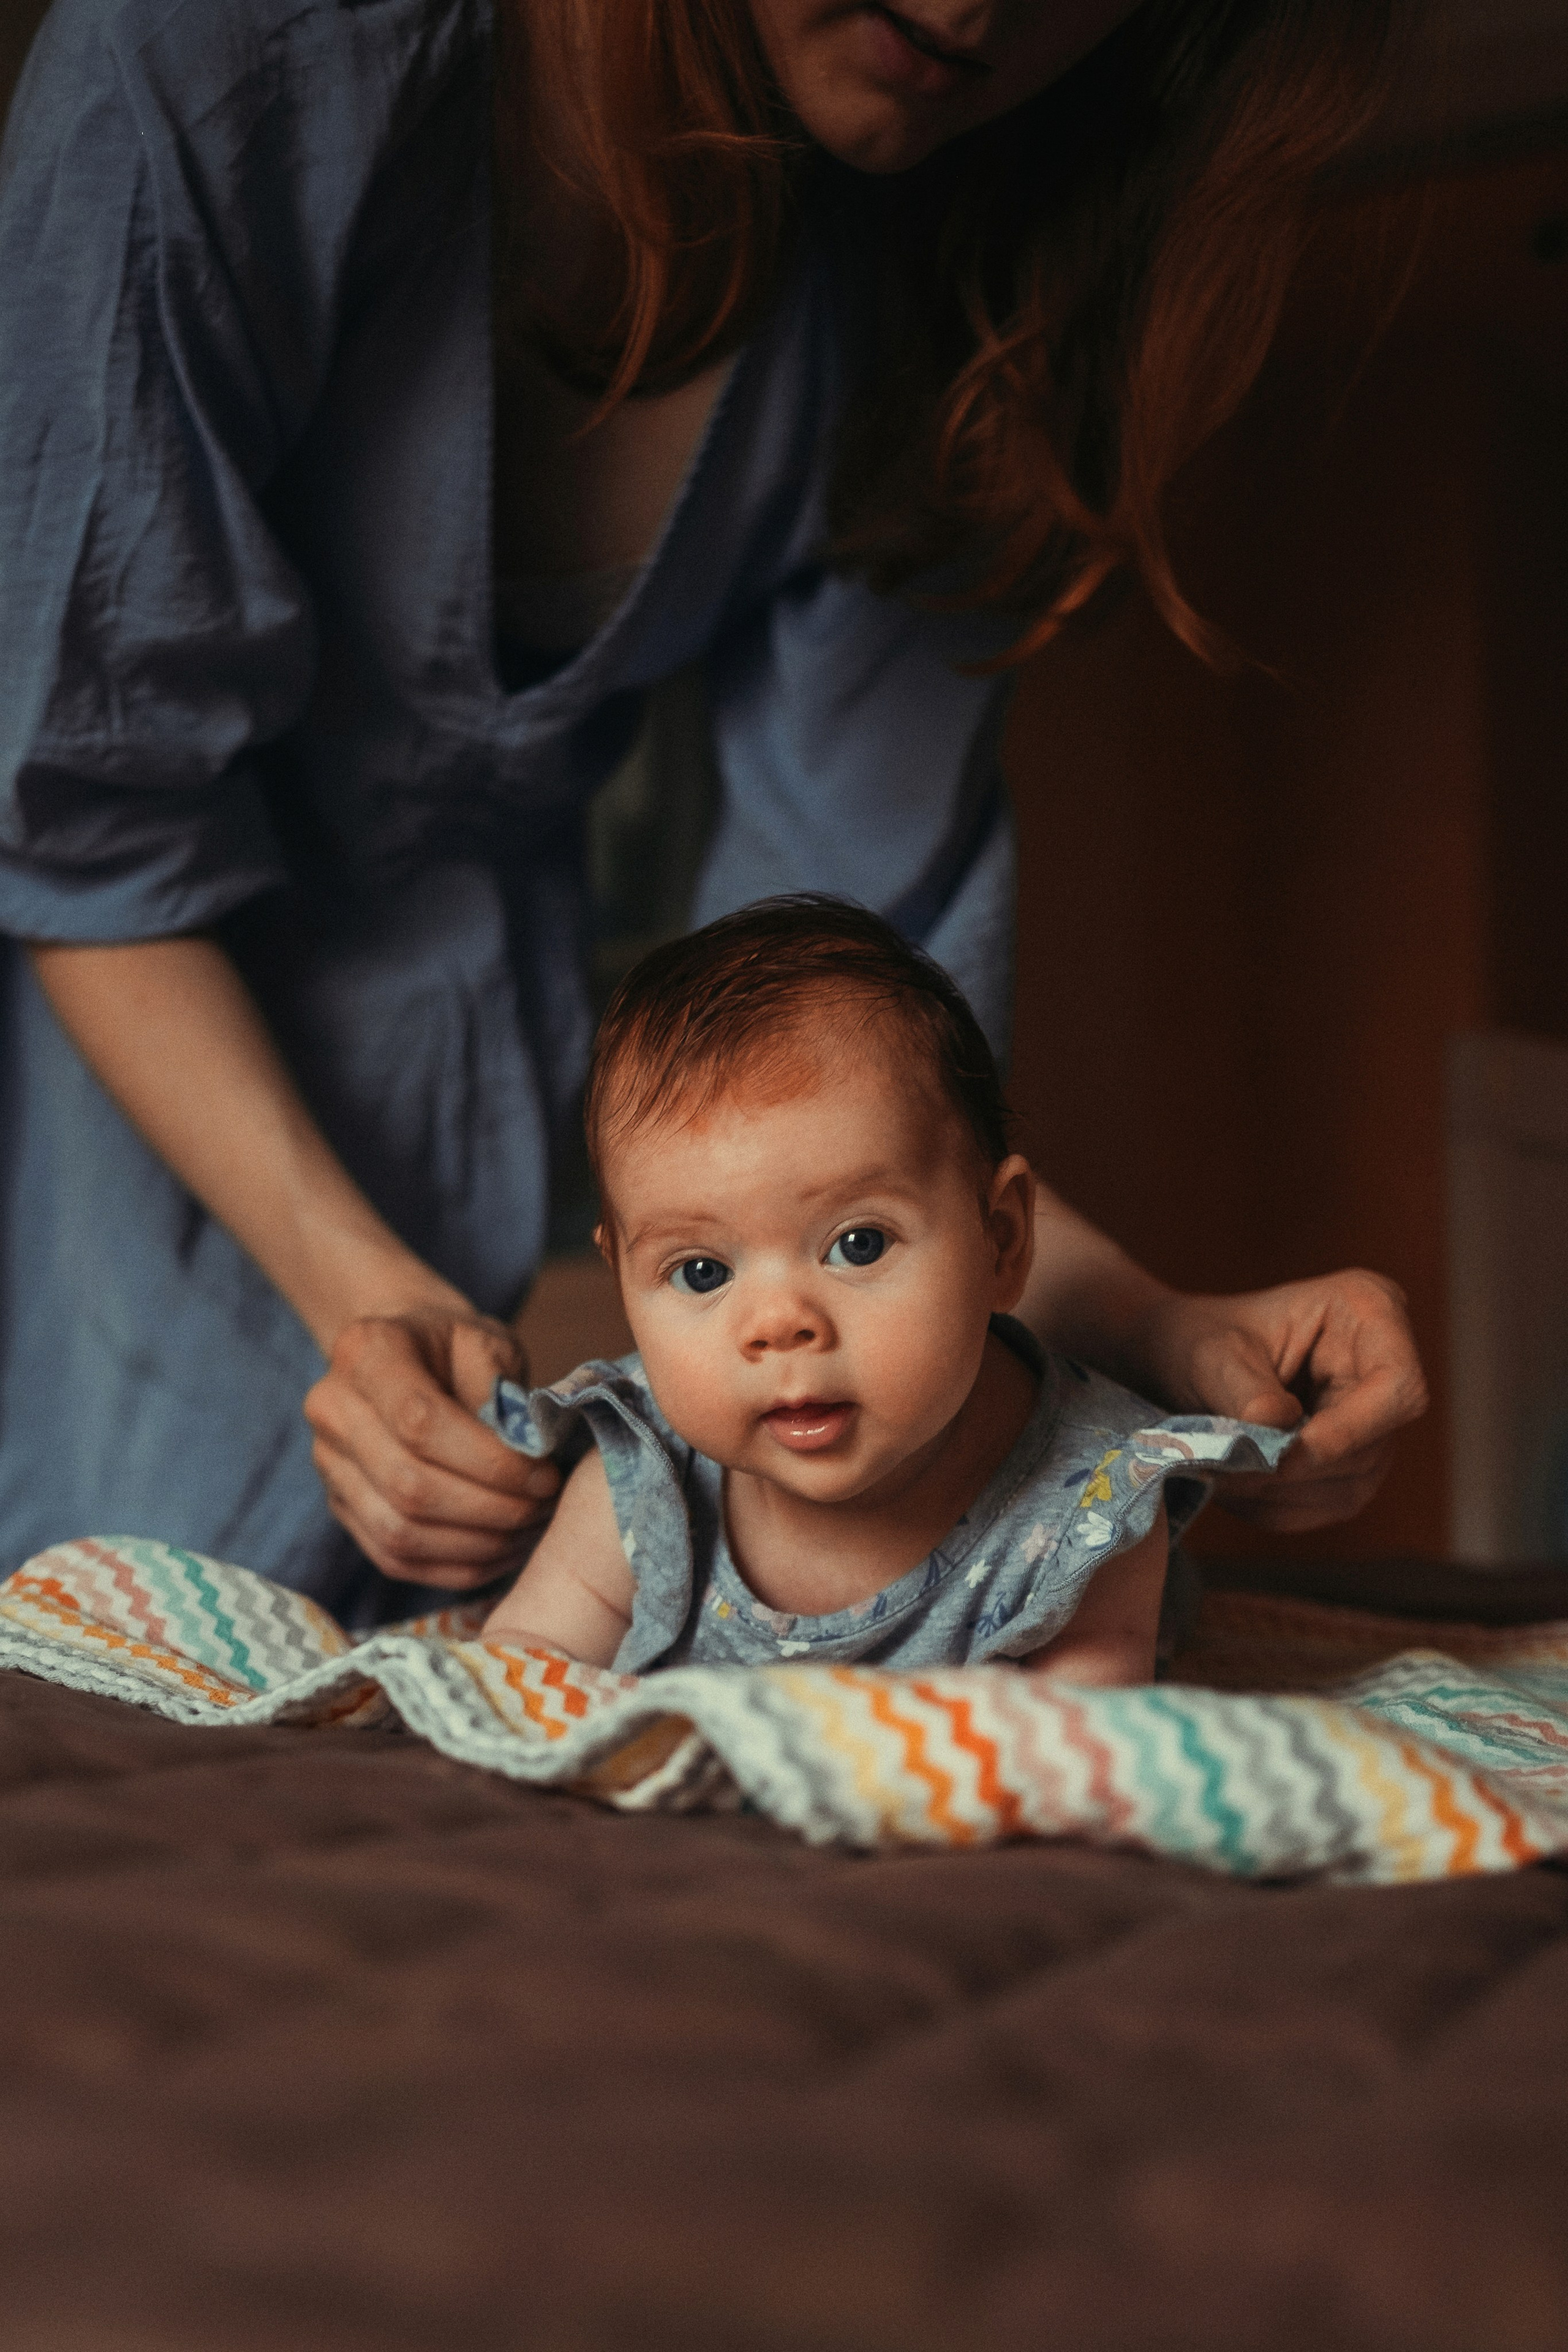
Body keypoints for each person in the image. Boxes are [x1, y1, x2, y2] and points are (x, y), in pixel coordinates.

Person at [0, 0, 1425, 1629]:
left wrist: (1166, 1330)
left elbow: (861, 1069)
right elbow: (86, 825)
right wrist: (353, 1288)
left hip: (454, 1070)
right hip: (100, 1034)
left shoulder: (937, 257)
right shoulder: (216, 61)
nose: (974, 8)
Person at [484, 899, 1292, 1680]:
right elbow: (520, 1669)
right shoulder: (646, 1479)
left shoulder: (1087, 1506)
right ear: (623, 1277)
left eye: (857, 1245)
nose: (779, 1326)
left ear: (1001, 1240)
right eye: (703, 1272)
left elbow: (1077, 1751)